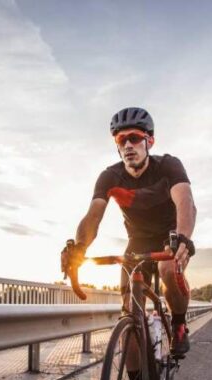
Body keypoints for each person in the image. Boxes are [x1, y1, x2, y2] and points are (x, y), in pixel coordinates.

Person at [61, 107, 197, 358]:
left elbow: (185, 202)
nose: (128, 145)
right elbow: (93, 216)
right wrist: (80, 248)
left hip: (171, 234)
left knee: (168, 269)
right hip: (138, 240)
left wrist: (183, 238)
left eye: (134, 138)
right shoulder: (110, 176)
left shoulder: (168, 165)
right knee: (130, 316)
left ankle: (178, 324)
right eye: (121, 140)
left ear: (149, 141)